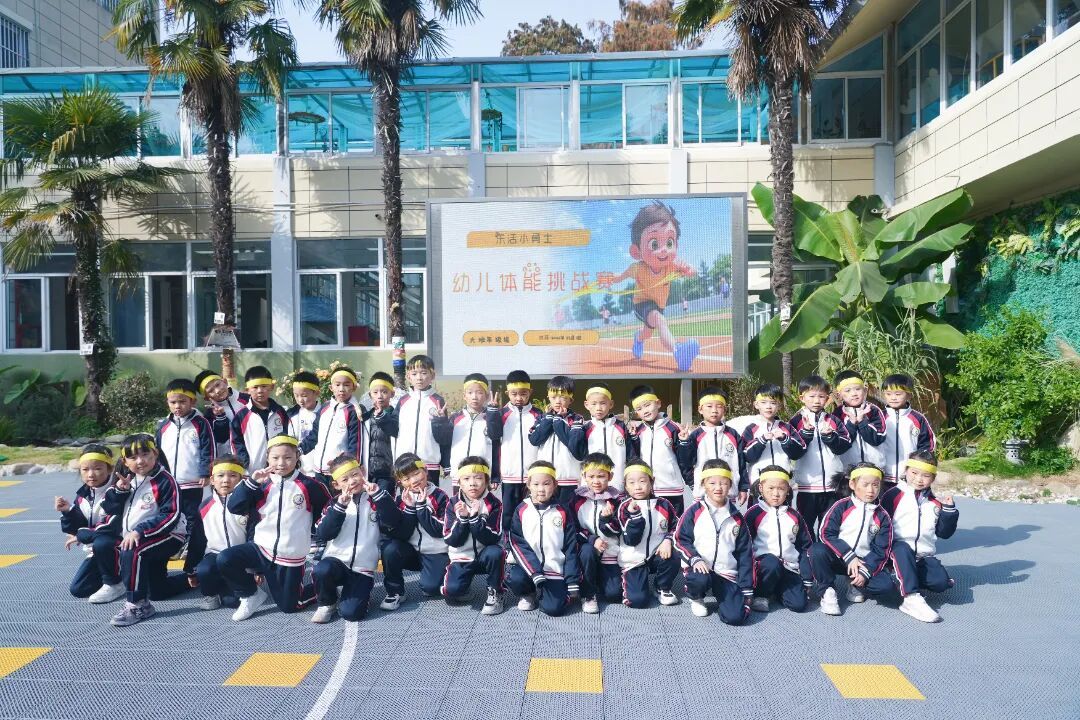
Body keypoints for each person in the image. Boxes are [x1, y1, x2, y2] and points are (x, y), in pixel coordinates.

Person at [218, 434, 332, 621]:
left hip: (289, 555)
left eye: (287, 457)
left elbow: (326, 515)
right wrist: (252, 483)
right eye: (275, 457)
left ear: (297, 457)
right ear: (267, 458)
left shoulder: (311, 485)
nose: (281, 463)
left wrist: (315, 542)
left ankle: (326, 586)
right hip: (261, 548)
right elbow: (234, 507)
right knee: (226, 558)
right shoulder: (260, 484)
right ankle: (251, 595)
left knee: (290, 607)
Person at [596, 200, 699, 371]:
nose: (664, 249)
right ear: (637, 251)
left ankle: (638, 338)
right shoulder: (637, 268)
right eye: (654, 244)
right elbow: (619, 277)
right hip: (641, 304)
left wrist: (689, 270)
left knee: (647, 333)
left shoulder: (672, 266)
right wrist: (606, 279)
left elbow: (693, 271)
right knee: (659, 319)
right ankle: (679, 352)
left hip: (658, 306)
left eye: (669, 243)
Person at [100, 434, 188, 627]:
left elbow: (171, 515)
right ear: (125, 461)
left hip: (169, 535)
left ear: (155, 454)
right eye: (133, 457)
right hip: (140, 537)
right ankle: (192, 577)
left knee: (133, 550)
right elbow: (108, 510)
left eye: (145, 454)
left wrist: (139, 531)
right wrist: (120, 492)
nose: (140, 461)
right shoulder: (126, 480)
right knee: (158, 591)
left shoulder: (165, 480)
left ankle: (138, 605)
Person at [310, 455, 400, 623]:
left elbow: (393, 522)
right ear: (336, 485)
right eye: (345, 479)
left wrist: (378, 496)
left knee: (351, 614)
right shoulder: (333, 503)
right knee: (321, 569)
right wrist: (340, 508)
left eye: (355, 474)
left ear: (363, 472)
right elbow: (323, 534)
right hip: (336, 561)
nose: (352, 481)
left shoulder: (377, 497)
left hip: (362, 567)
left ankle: (355, 594)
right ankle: (327, 602)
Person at [879, 451, 958, 623]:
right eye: (914, 473)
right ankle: (911, 597)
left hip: (922, 556)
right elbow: (879, 527)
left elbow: (944, 533)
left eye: (926, 475)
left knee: (940, 583)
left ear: (933, 478)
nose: (919, 479)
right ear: (906, 471)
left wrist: (949, 511)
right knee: (902, 547)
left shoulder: (935, 503)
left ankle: (906, 578)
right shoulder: (892, 495)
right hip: (895, 554)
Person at [673, 460, 753, 624]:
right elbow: (680, 540)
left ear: (730, 485)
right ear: (703, 484)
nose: (718, 488)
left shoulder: (737, 518)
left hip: (725, 572)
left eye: (724, 483)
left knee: (735, 617)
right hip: (700, 568)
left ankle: (727, 596)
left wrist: (746, 588)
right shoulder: (693, 512)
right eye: (712, 483)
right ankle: (696, 597)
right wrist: (694, 558)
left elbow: (745, 554)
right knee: (699, 579)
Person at [809, 463, 894, 616]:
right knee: (816, 550)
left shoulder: (882, 516)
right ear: (852, 484)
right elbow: (826, 533)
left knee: (885, 586)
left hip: (862, 563)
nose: (871, 490)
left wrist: (866, 571)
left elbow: (882, 550)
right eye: (865, 484)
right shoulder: (841, 506)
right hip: (839, 558)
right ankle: (827, 591)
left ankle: (855, 584)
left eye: (875, 485)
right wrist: (848, 555)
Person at [155, 378, 215, 583]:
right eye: (173, 402)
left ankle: (192, 560)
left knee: (193, 520)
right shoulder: (163, 426)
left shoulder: (201, 424)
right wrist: (159, 476)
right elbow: (157, 454)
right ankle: (171, 553)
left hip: (193, 483)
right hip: (169, 484)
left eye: (182, 401)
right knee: (170, 519)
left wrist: (205, 473)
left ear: (192, 401)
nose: (177, 406)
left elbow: (208, 450)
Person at [379, 452, 451, 611]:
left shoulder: (440, 496)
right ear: (400, 482)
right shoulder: (401, 500)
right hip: (411, 552)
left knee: (431, 588)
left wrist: (421, 507)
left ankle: (449, 571)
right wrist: (410, 509)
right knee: (389, 548)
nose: (413, 480)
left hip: (435, 551)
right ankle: (395, 592)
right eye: (406, 478)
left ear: (425, 470)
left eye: (416, 473)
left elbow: (438, 531)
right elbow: (402, 534)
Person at [507, 461, 580, 617]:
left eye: (546, 484)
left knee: (554, 609)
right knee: (515, 578)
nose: (541, 489)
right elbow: (516, 543)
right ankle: (528, 593)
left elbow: (570, 547)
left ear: (555, 485)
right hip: (528, 569)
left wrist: (572, 580)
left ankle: (551, 594)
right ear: (528, 485)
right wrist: (534, 571)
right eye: (536, 484)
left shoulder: (562, 511)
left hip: (553, 568)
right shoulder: (521, 510)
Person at [786, 375, 852, 535]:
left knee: (829, 527)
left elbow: (843, 446)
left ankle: (828, 551)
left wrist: (830, 437)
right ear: (802, 398)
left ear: (827, 399)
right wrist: (805, 433)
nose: (817, 401)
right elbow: (793, 452)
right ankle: (808, 551)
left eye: (821, 396)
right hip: (807, 487)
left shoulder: (833, 420)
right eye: (812, 396)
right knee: (805, 528)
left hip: (831, 486)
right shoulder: (795, 422)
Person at [743, 466, 813, 613]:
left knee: (799, 605)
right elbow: (744, 548)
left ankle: (778, 589)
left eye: (781, 489)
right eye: (771, 488)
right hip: (765, 567)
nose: (776, 494)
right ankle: (762, 594)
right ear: (761, 488)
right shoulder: (753, 514)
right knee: (772, 563)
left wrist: (807, 578)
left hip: (789, 568)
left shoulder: (794, 516)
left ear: (788, 490)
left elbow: (805, 546)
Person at [441, 457, 505, 615]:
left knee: (496, 553)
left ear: (486, 480)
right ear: (459, 482)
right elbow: (451, 540)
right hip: (462, 557)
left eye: (478, 478)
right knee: (452, 591)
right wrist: (463, 519)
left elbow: (493, 537)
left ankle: (496, 591)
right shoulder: (453, 503)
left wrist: (476, 519)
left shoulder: (494, 503)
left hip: (485, 555)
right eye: (466, 479)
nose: (472, 483)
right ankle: (464, 584)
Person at [56, 444, 120, 600]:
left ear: (110, 469)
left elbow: (112, 527)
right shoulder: (83, 495)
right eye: (85, 469)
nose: (91, 474)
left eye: (97, 468)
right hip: (98, 550)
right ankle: (124, 576)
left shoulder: (118, 491)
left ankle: (115, 583)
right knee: (79, 589)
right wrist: (68, 511)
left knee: (103, 542)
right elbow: (77, 527)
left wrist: (82, 535)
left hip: (119, 546)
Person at [194, 455, 256, 611]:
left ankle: (235, 587)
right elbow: (197, 539)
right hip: (215, 554)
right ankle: (211, 594)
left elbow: (253, 535)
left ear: (242, 479)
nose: (226, 480)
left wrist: (257, 569)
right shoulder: (205, 506)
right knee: (204, 570)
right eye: (220, 475)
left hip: (240, 558)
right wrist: (190, 569)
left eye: (233, 475)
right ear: (212, 480)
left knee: (232, 603)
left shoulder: (248, 504)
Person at [616, 462, 680, 608]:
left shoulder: (664, 504)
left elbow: (677, 526)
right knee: (638, 601)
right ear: (625, 486)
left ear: (652, 482)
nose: (638, 487)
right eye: (632, 483)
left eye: (642, 481)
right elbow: (631, 540)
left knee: (674, 553)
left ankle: (662, 587)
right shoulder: (624, 507)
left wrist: (668, 540)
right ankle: (628, 580)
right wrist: (635, 516)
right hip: (634, 560)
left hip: (656, 554)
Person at [569, 453, 623, 613]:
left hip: (609, 552)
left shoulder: (616, 500)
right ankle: (588, 594)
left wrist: (608, 520)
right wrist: (593, 539)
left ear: (610, 476)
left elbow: (620, 528)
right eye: (591, 476)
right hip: (586, 548)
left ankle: (599, 580)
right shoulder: (577, 499)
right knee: (587, 552)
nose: (596, 481)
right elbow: (573, 528)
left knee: (614, 594)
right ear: (584, 476)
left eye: (601, 476)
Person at [676, 387, 748, 504]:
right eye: (709, 406)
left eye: (719, 406)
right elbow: (686, 463)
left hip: (728, 493)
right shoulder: (695, 436)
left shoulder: (733, 435)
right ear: (700, 409)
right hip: (703, 495)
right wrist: (693, 484)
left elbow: (741, 463)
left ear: (724, 409)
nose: (714, 410)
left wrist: (743, 487)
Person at [298, 365, 362, 491]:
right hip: (318, 470)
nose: (341, 389)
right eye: (337, 385)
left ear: (354, 387)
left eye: (346, 385)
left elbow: (355, 444)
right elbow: (314, 435)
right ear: (331, 387)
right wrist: (298, 450)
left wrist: (342, 463)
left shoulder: (354, 411)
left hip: (339, 472)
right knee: (321, 501)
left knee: (340, 502)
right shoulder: (324, 408)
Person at [432, 373, 502, 488]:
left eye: (479, 392)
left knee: (483, 500)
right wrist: (440, 421)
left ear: (486, 396)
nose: (474, 397)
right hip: (459, 474)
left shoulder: (491, 418)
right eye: (470, 393)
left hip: (481, 475)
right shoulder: (455, 418)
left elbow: (496, 447)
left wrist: (495, 476)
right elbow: (444, 442)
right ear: (464, 396)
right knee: (459, 500)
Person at [628, 385, 688, 515]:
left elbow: (683, 458)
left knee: (675, 522)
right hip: (646, 490)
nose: (645, 411)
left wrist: (684, 442)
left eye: (647, 405)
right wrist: (633, 439)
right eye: (639, 409)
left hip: (671, 487)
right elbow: (634, 457)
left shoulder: (672, 428)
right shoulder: (638, 431)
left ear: (658, 403)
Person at [496, 370, 543, 536]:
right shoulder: (501, 414)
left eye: (523, 394)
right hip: (509, 474)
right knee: (508, 513)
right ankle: (508, 542)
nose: (519, 398)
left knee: (532, 511)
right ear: (507, 393)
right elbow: (494, 444)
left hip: (533, 476)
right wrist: (496, 474)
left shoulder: (539, 415)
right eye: (514, 394)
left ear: (530, 392)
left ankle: (531, 541)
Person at [528, 376, 587, 504]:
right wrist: (549, 419)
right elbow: (534, 439)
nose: (558, 401)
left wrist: (559, 422)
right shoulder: (542, 418)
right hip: (546, 479)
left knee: (568, 513)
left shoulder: (576, 419)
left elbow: (574, 446)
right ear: (548, 398)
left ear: (570, 400)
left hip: (568, 479)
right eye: (554, 397)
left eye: (563, 398)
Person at [394, 355, 446, 488]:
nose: (419, 377)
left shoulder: (438, 401)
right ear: (408, 377)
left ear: (432, 375)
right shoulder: (403, 401)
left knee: (431, 497)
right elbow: (394, 429)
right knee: (407, 498)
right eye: (414, 374)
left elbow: (444, 437)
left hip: (429, 463)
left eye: (424, 373)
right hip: (405, 463)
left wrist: (446, 464)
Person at [879, 373, 936, 488]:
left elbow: (927, 444)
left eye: (898, 394)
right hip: (883, 476)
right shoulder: (879, 417)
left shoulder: (918, 419)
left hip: (909, 477)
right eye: (888, 394)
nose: (893, 398)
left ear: (909, 395)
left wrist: (918, 467)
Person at [230, 366, 289, 474]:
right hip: (253, 471)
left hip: (278, 469)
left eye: (264, 386)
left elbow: (287, 436)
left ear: (271, 387)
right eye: (255, 387)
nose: (260, 391)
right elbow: (236, 443)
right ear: (247, 390)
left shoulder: (280, 412)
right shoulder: (241, 415)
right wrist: (244, 464)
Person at [740, 383, 802, 483]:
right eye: (763, 402)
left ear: (779, 405)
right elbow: (747, 456)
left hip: (783, 481)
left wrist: (784, 439)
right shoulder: (751, 429)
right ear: (756, 405)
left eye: (773, 403)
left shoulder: (786, 427)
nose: (768, 407)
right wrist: (761, 440)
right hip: (759, 482)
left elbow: (797, 453)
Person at [582, 383, 633, 491]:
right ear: (586, 405)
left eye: (603, 403)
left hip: (618, 485)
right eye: (594, 404)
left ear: (611, 404)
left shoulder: (621, 427)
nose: (598, 408)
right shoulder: (584, 429)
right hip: (593, 486)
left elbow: (631, 455)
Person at [832, 371, 887, 470]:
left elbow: (877, 439)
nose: (854, 394)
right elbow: (839, 446)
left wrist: (862, 422)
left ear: (865, 391)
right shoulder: (837, 415)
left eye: (857, 389)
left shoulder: (873, 410)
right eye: (847, 390)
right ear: (839, 395)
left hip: (874, 469)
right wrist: (851, 424)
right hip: (848, 471)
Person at [360, 372, 399, 497]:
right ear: (370, 395)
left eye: (384, 392)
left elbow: (395, 432)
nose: (380, 396)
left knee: (384, 501)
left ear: (392, 394)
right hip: (368, 471)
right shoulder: (365, 418)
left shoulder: (395, 416)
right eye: (375, 392)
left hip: (387, 473)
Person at [195, 369, 249, 457]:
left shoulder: (247, 399)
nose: (217, 391)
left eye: (217, 385)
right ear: (207, 398)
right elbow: (221, 439)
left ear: (225, 381)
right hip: (230, 459)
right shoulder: (209, 415)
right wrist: (221, 417)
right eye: (211, 391)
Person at [287, 370, 323, 475]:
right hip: (298, 471)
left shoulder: (325, 414)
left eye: (304, 395)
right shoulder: (291, 414)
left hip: (319, 470)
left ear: (317, 393)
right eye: (296, 395)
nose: (300, 400)